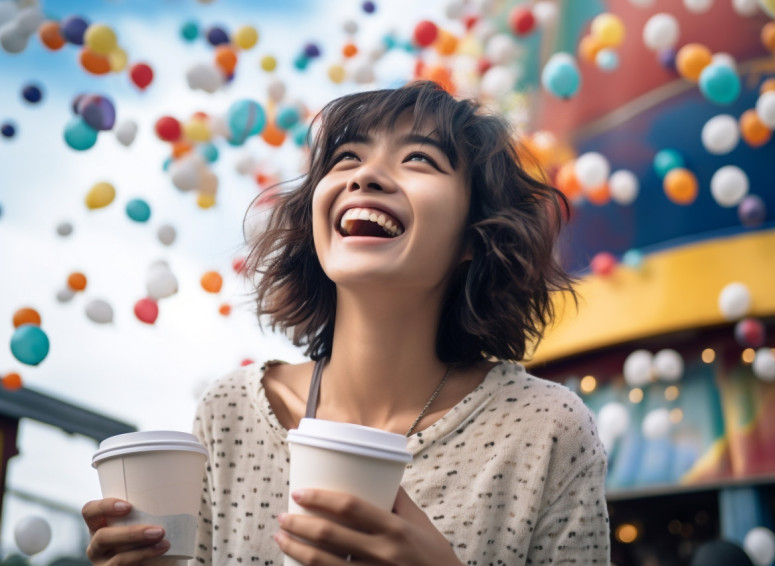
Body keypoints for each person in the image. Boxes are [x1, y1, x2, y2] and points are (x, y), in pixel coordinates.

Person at [83, 80, 610, 565]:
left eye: (419, 159)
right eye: (346, 157)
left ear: (475, 236)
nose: (366, 175)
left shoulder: (548, 430)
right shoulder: (231, 413)